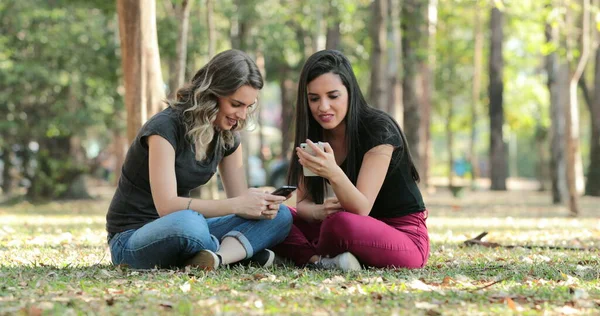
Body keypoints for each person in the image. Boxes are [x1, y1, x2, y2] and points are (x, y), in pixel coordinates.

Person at [106, 49, 293, 270]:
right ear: (212, 94)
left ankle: (218, 258)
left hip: (187, 230)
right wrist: (236, 204)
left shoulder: (227, 135)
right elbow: (167, 206)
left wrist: (259, 205)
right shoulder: (164, 128)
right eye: (236, 104)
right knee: (190, 224)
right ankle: (236, 253)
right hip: (133, 237)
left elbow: (239, 202)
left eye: (247, 106)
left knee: (281, 216)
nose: (242, 115)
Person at [273, 50, 429, 271]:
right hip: (342, 228)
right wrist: (320, 211)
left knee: (340, 224)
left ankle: (302, 253)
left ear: (350, 93)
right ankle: (322, 261)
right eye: (314, 98)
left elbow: (361, 209)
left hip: (402, 236)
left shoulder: (378, 130)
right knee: (276, 214)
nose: (323, 107)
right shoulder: (314, 137)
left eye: (333, 96)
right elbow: (304, 204)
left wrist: (332, 171)